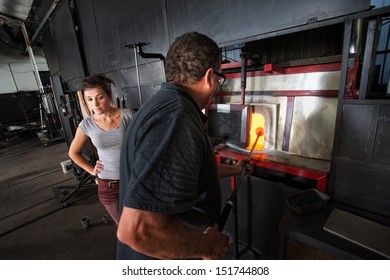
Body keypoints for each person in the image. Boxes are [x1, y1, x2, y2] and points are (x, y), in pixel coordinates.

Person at [117, 32, 253, 260]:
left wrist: (235, 169)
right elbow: (139, 231)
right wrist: (207, 247)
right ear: (210, 77)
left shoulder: (164, 106)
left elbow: (188, 175)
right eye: (221, 79)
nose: (218, 86)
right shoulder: (176, 118)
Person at [68, 74, 135, 225]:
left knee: (141, 225)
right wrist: (91, 170)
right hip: (108, 187)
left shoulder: (127, 115)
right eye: (90, 99)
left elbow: (144, 142)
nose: (95, 104)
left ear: (109, 95)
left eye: (100, 97)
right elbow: (73, 152)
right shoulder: (86, 125)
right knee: (124, 228)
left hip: (132, 182)